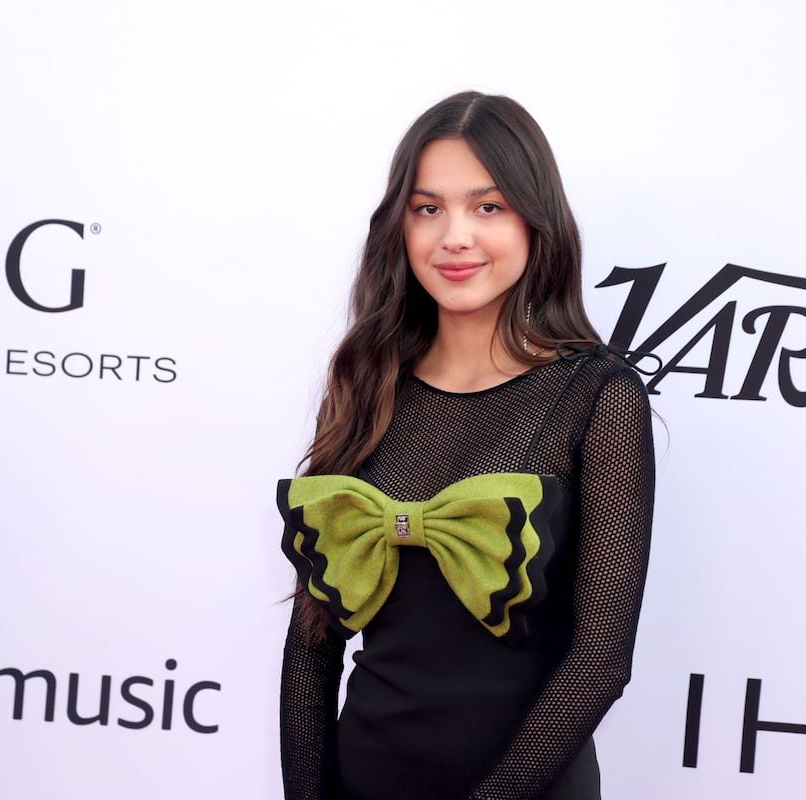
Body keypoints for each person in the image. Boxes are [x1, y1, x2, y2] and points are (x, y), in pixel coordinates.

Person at [276, 90, 655, 800]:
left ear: (535, 221)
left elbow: (601, 662)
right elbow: (312, 643)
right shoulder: (367, 380)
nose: (454, 236)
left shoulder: (596, 396)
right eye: (428, 208)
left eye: (487, 206)